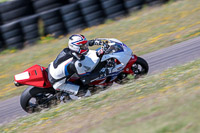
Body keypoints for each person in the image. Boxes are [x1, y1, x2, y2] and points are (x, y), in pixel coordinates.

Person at [48, 34, 104, 99]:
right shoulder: (75, 63)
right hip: (58, 83)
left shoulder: (68, 50)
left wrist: (93, 42)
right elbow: (85, 80)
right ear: (75, 47)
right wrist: (101, 74)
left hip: (52, 69)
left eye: (85, 44)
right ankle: (65, 96)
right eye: (83, 45)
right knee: (86, 93)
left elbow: (82, 45)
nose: (86, 46)